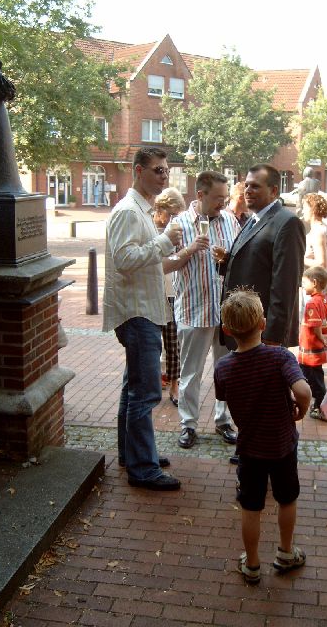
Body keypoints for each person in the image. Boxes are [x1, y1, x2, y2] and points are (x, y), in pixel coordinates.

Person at [214, 288, 311, 584]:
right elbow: (303, 390)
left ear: (227, 330)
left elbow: (224, 396)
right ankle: (286, 552)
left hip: (250, 448)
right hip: (282, 445)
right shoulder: (280, 357)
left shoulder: (224, 367)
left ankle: (252, 564)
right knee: (287, 499)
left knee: (251, 506)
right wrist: (301, 408)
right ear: (263, 324)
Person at [102, 147, 183, 491]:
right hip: (137, 313)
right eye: (157, 170)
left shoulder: (142, 210)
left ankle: (133, 454)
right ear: (138, 171)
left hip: (144, 310)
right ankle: (143, 468)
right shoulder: (128, 212)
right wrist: (164, 242)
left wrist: (173, 250)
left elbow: (144, 260)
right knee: (146, 392)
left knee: (133, 386)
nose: (164, 176)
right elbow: (124, 260)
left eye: (166, 171)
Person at [164, 171, 240, 449]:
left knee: (226, 370)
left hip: (225, 313)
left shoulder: (231, 221)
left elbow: (240, 260)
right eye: (218, 198)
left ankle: (223, 420)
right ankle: (188, 424)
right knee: (191, 372)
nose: (223, 203)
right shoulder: (179, 224)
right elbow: (163, 264)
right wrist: (189, 250)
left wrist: (228, 258)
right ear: (200, 195)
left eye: (225, 197)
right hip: (193, 308)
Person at [220, 163, 305, 350]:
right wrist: (227, 261)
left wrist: (273, 336)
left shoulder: (287, 223)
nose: (248, 191)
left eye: (255, 186)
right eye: (247, 185)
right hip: (243, 329)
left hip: (262, 336)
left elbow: (286, 285)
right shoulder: (253, 218)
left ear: (273, 191)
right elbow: (256, 264)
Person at [154, 187, 187, 406]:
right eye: (171, 213)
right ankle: (156, 380)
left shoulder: (177, 230)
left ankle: (175, 383)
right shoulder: (150, 228)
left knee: (173, 342)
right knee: (152, 341)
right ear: (161, 209)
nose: (173, 219)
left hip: (171, 290)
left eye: (177, 214)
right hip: (152, 291)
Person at [298, 266, 327, 422]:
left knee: (311, 380)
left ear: (314, 282)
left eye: (304, 282)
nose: (302, 286)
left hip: (310, 350)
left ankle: (322, 409)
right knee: (316, 378)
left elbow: (316, 326)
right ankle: (319, 405)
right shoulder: (323, 300)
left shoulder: (312, 303)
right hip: (315, 350)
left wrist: (321, 338)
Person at [302, 193, 327, 354]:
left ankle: (314, 359)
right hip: (321, 284)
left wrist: (300, 257)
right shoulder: (323, 228)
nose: (302, 211)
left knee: (314, 323)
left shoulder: (318, 231)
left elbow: (322, 262)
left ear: (313, 209)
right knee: (321, 322)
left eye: (305, 207)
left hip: (316, 285)